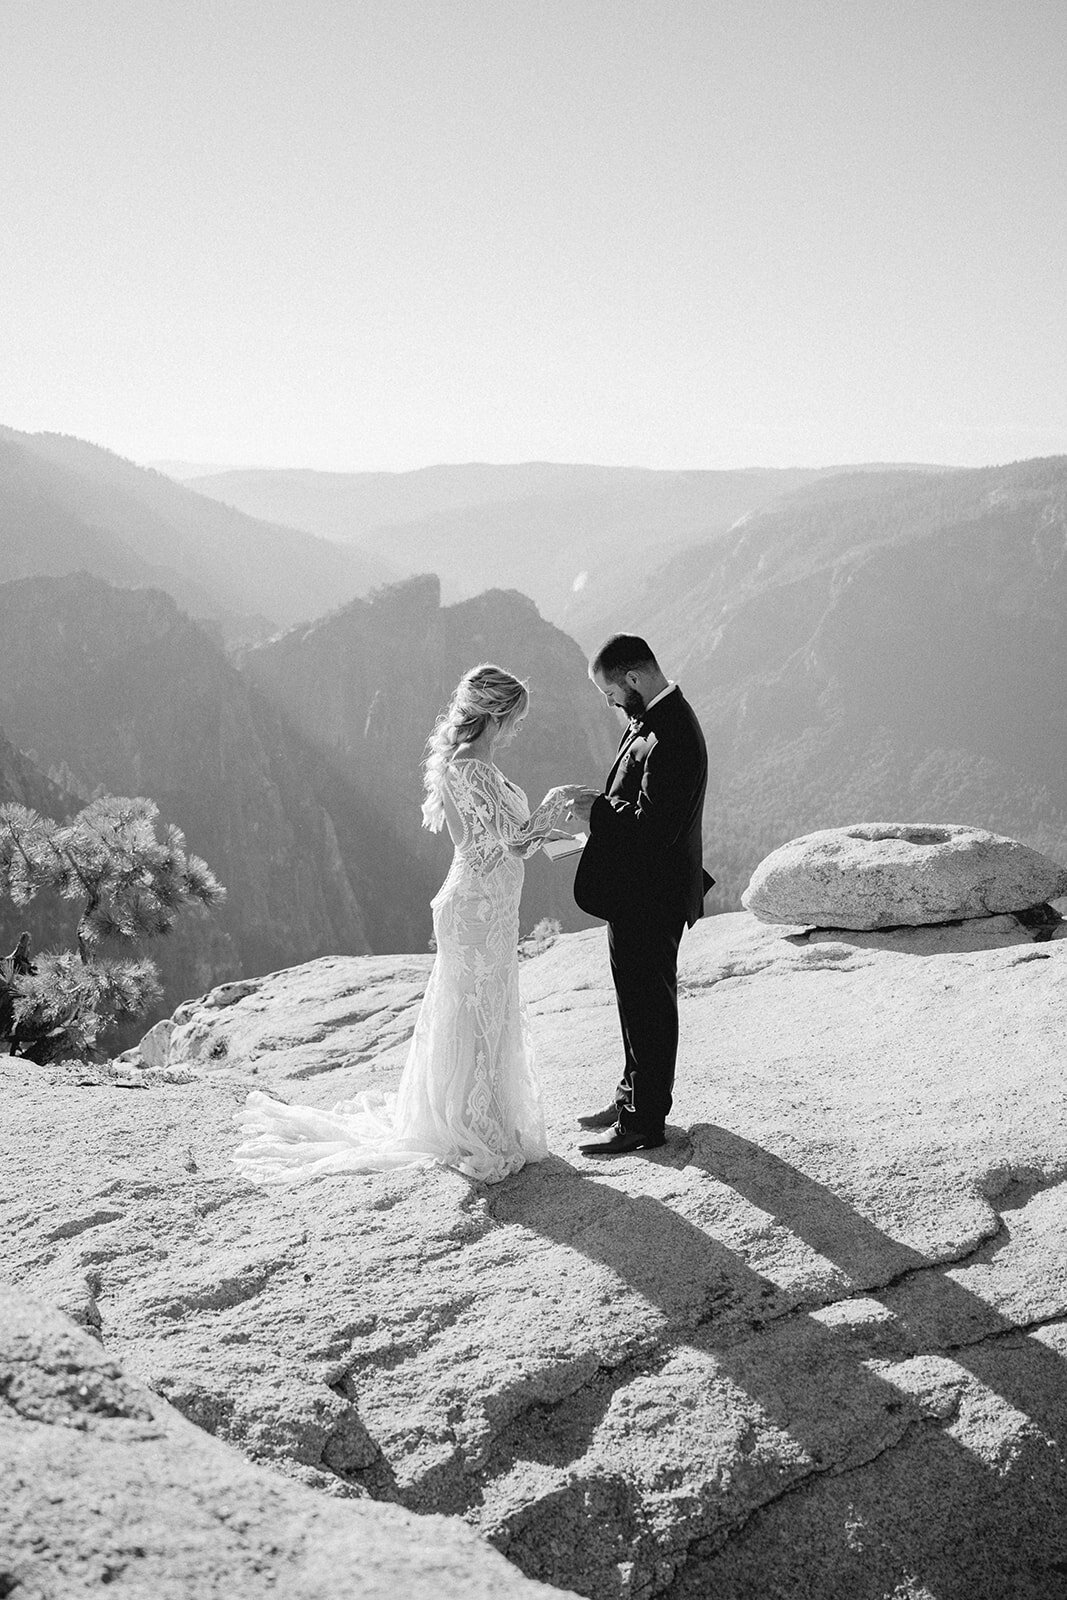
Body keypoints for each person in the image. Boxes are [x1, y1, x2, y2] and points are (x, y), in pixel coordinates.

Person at [234, 664, 580, 1186]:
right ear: (499, 715)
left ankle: (477, 1119)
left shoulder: (470, 765)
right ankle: (474, 1127)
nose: (518, 729)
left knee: (483, 1010)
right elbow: (513, 839)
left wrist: (554, 841)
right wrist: (559, 800)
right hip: (477, 909)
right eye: (517, 719)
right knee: (478, 1011)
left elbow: (491, 844)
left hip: (485, 905)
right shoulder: (474, 769)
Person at [568, 635, 713, 1156]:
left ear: (633, 679)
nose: (609, 704)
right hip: (635, 893)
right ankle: (630, 1097)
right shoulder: (652, 718)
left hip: (654, 897)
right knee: (633, 1001)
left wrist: (596, 812)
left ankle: (645, 1122)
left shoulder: (672, 731)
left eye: (609, 693)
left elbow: (657, 828)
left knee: (650, 1007)